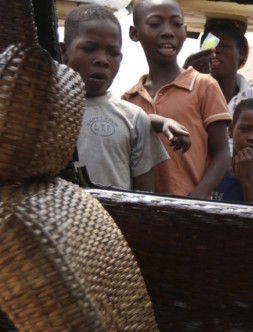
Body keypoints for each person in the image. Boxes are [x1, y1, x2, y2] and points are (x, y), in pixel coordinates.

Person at [60, 3, 190, 192]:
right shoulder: (42, 111)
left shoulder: (134, 119)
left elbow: (143, 198)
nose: (102, 60)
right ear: (64, 51)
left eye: (113, 53)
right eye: (89, 48)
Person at [123, 0, 232, 198]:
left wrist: (196, 198)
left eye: (176, 24)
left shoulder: (203, 86)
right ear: (134, 33)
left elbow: (223, 154)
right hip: (145, 211)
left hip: (191, 212)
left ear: (185, 30)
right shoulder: (129, 99)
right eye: (155, 24)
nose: (168, 32)